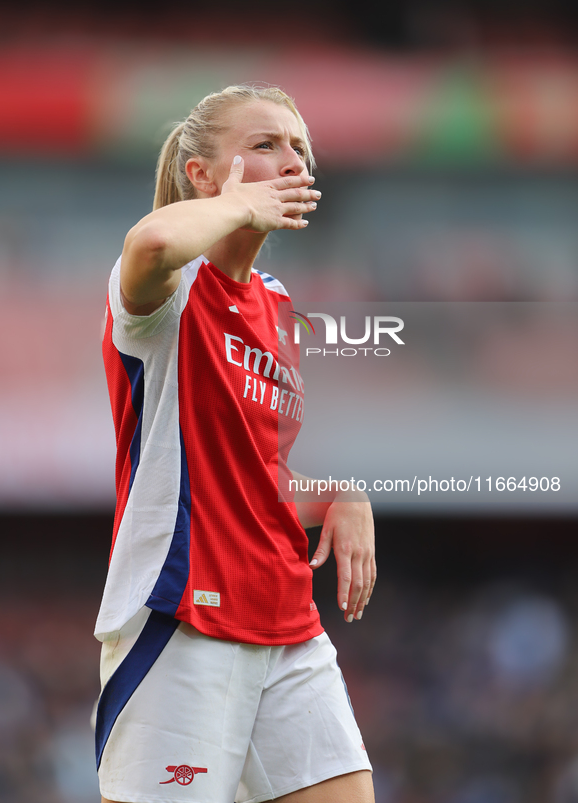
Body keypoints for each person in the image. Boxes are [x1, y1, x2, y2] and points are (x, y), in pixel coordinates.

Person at [95, 84, 376, 803]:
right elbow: (152, 240)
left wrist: (340, 492)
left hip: (286, 622)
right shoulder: (170, 285)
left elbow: (254, 475)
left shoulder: (279, 306)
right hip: (183, 618)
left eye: (299, 149)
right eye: (265, 145)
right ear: (199, 174)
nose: (292, 161)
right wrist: (241, 209)